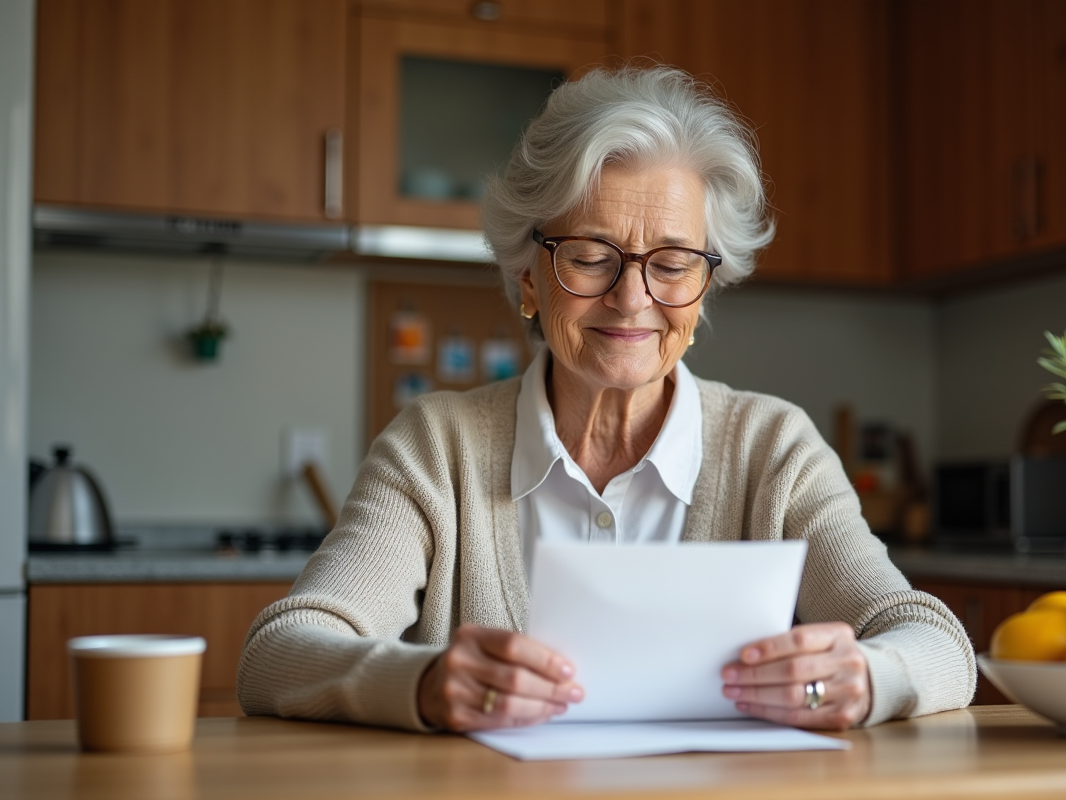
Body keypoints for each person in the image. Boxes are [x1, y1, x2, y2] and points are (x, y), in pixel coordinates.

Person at [237, 65, 975, 733]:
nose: (633, 299)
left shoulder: (774, 447)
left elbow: (934, 640)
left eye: (673, 263)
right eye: (590, 257)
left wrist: (867, 679)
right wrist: (424, 682)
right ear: (529, 276)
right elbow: (278, 654)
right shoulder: (436, 446)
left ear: (703, 286)